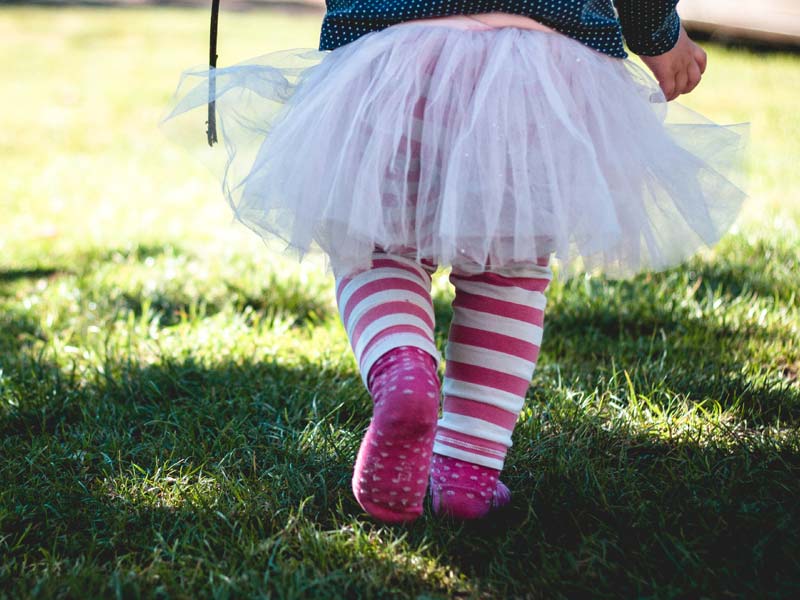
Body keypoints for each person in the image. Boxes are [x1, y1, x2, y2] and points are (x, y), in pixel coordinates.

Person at [163, 0, 746, 523]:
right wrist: (659, 33)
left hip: (391, 48)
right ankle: (468, 472)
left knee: (376, 242)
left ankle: (403, 367)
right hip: (542, 60)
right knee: (510, 262)